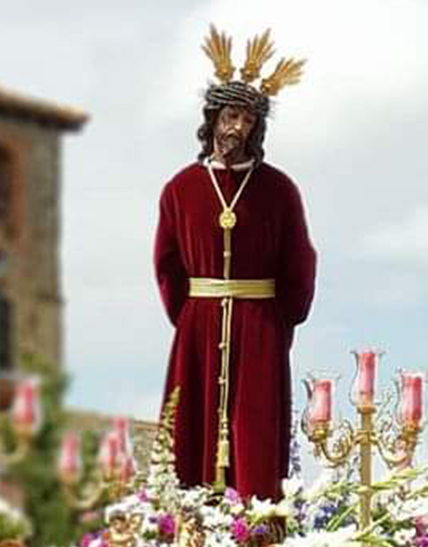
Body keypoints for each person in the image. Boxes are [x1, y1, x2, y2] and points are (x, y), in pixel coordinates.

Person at [155, 26, 317, 500]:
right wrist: (190, 319)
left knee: (256, 434)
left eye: (247, 121)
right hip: (199, 329)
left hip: (259, 326)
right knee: (191, 433)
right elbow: (166, 264)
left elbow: (300, 264)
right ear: (213, 118)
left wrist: (273, 322)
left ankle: (257, 538)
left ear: (257, 127)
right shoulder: (180, 188)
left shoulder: (279, 190)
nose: (237, 129)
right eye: (230, 117)